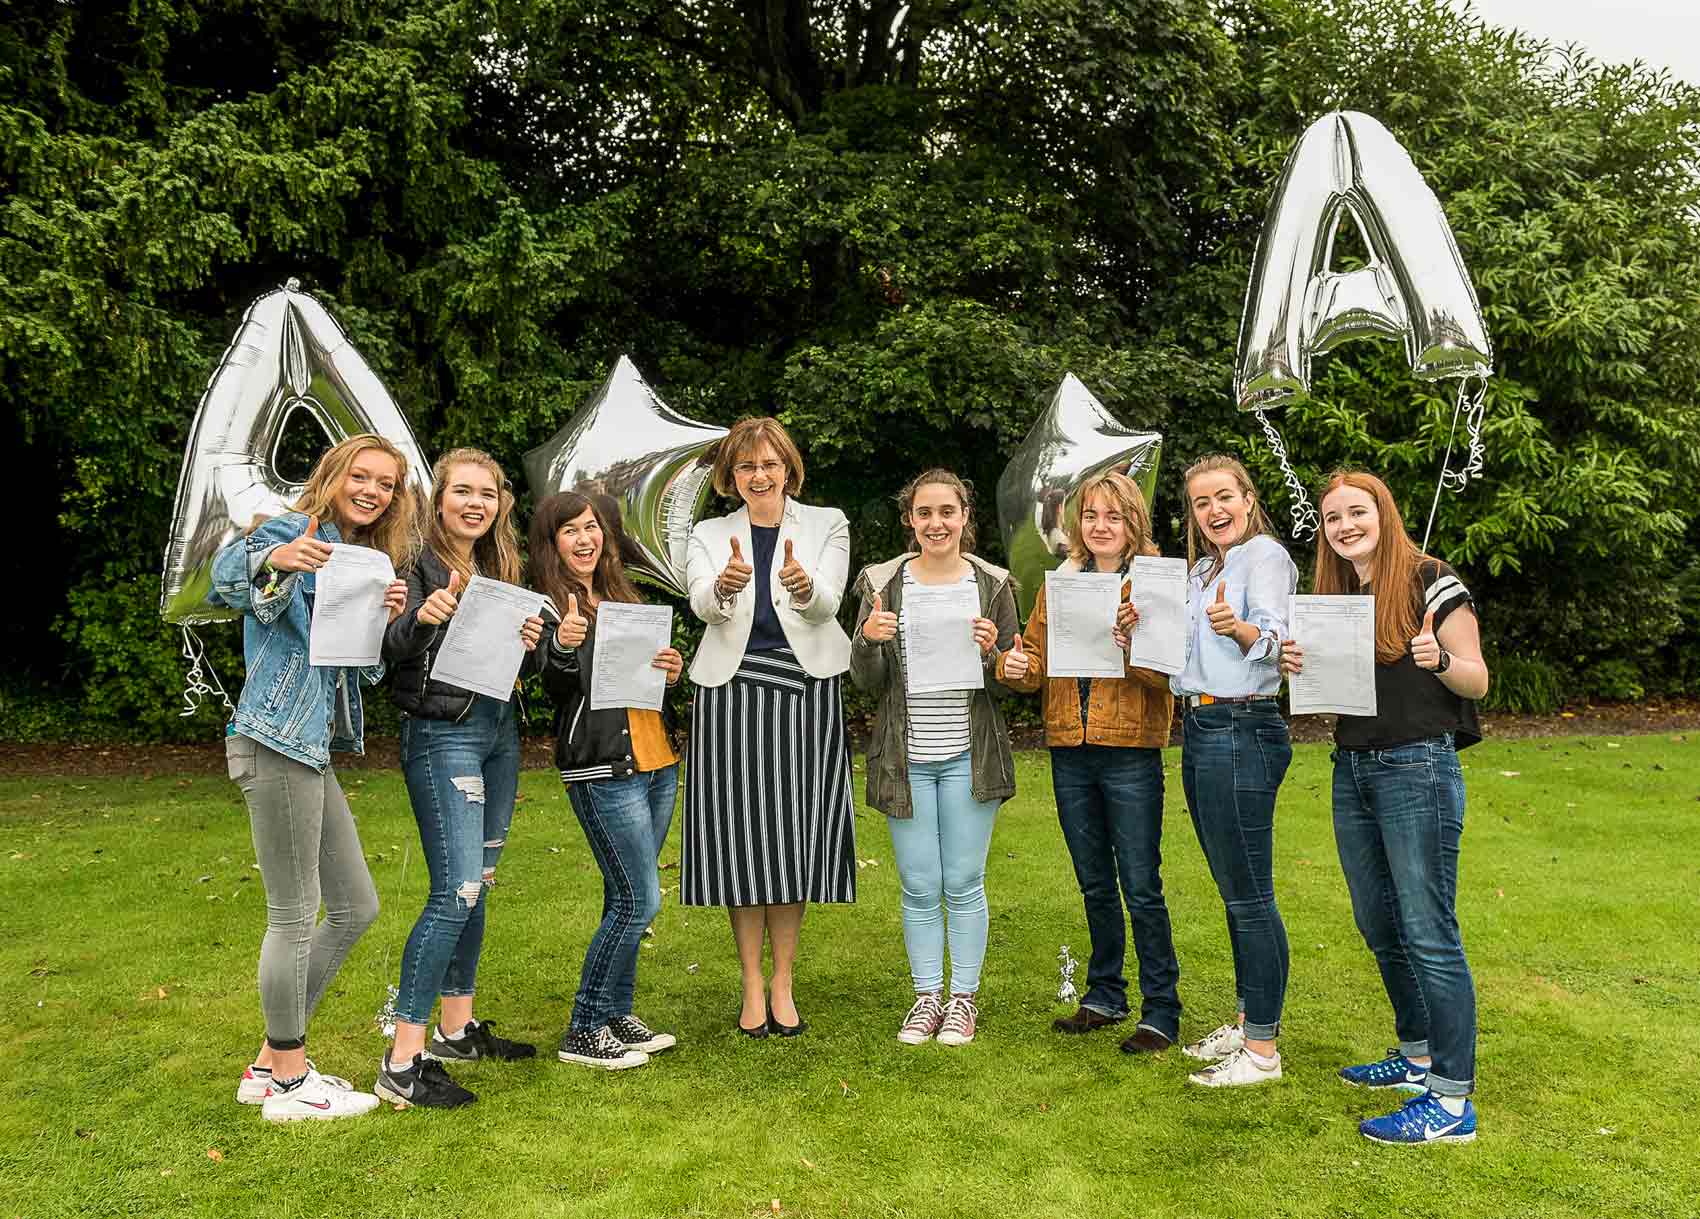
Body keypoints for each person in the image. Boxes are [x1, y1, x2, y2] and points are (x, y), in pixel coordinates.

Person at [210, 433, 415, 1121]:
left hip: (310, 748)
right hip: (272, 740)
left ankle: (268, 1062)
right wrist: (277, 557)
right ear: (334, 475)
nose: (373, 489)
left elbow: (356, 668)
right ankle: (292, 1082)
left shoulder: (365, 558)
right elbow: (223, 577)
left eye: (385, 483)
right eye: (361, 475)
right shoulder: (292, 529)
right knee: (294, 914)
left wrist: (382, 621)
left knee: (356, 905)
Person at [1281, 470, 1488, 1144]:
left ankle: (1453, 1102)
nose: (1345, 526)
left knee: (1428, 928)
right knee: (1378, 921)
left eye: (1356, 512)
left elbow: (1476, 676)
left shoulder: (1432, 577)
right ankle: (1418, 1053)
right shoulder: (1336, 595)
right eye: (1332, 517)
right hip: (1355, 766)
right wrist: (1297, 663)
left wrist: (1437, 659)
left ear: (1383, 511)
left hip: (1418, 766)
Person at [374, 448, 546, 1108]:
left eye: (488, 493)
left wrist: (531, 645)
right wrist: (421, 619)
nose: (475, 503)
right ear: (439, 498)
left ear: (501, 502)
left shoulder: (502, 566)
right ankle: (403, 1061)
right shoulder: (415, 559)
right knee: (456, 887)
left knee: (481, 884)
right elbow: (388, 646)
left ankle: (455, 1027)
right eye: (462, 491)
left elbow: (513, 667)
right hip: (441, 732)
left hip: (499, 732)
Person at [681, 417, 857, 1039]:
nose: (760, 476)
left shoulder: (827, 522)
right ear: (732, 477)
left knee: (791, 837)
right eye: (747, 467)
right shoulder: (707, 532)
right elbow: (701, 599)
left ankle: (784, 980)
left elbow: (830, 602)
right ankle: (751, 982)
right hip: (730, 696)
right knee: (742, 838)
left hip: (806, 693)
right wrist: (725, 585)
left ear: (789, 470)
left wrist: (805, 587)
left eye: (771, 465)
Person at [997, 471, 1181, 1054]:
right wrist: (1015, 668)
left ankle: (1161, 1009)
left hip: (1129, 750)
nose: (1101, 526)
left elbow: (1169, 674)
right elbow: (1031, 662)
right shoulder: (1060, 585)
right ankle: (1105, 994)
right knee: (1094, 882)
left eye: (1114, 516)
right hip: (1069, 748)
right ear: (1078, 524)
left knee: (1141, 883)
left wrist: (1135, 648)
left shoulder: (1151, 583)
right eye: (1092, 516)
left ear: (1133, 524)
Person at [850, 469, 1020, 1047]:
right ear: (910, 520)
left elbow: (1007, 683)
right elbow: (865, 681)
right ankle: (926, 998)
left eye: (947, 512)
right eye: (925, 513)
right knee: (920, 885)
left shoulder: (995, 585)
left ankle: (962, 1000)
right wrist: (869, 639)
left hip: (970, 756)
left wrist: (996, 652)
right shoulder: (882, 583)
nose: (936, 523)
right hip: (907, 757)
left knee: (965, 881)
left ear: (965, 517)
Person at [536, 491, 687, 1069]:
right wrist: (561, 646)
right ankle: (583, 1025)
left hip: (656, 762)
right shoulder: (551, 608)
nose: (584, 539)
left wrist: (669, 672)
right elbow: (547, 681)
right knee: (639, 899)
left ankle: (617, 1015)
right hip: (602, 768)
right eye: (569, 531)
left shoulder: (625, 599)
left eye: (592, 528)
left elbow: (642, 682)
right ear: (552, 545)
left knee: (621, 895)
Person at [1171, 453, 1297, 1088]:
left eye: (1224, 497)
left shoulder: (1265, 557)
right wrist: (1136, 635)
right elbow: (1183, 659)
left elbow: (1279, 640)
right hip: (1200, 725)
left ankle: (1263, 1052)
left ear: (1248, 499)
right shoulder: (1200, 570)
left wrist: (1243, 630)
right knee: (1232, 886)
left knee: (1250, 894)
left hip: (1243, 728)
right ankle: (1249, 1016)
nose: (1214, 511)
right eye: (1201, 503)